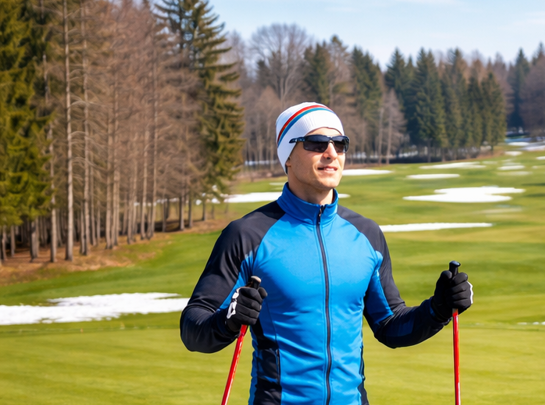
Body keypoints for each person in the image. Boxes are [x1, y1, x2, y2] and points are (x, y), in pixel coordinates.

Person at [180, 102, 473, 405]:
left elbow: (390, 325)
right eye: (316, 143)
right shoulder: (247, 235)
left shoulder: (366, 235)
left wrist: (438, 309)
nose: (331, 153)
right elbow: (193, 328)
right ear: (288, 158)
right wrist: (228, 321)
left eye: (340, 144)